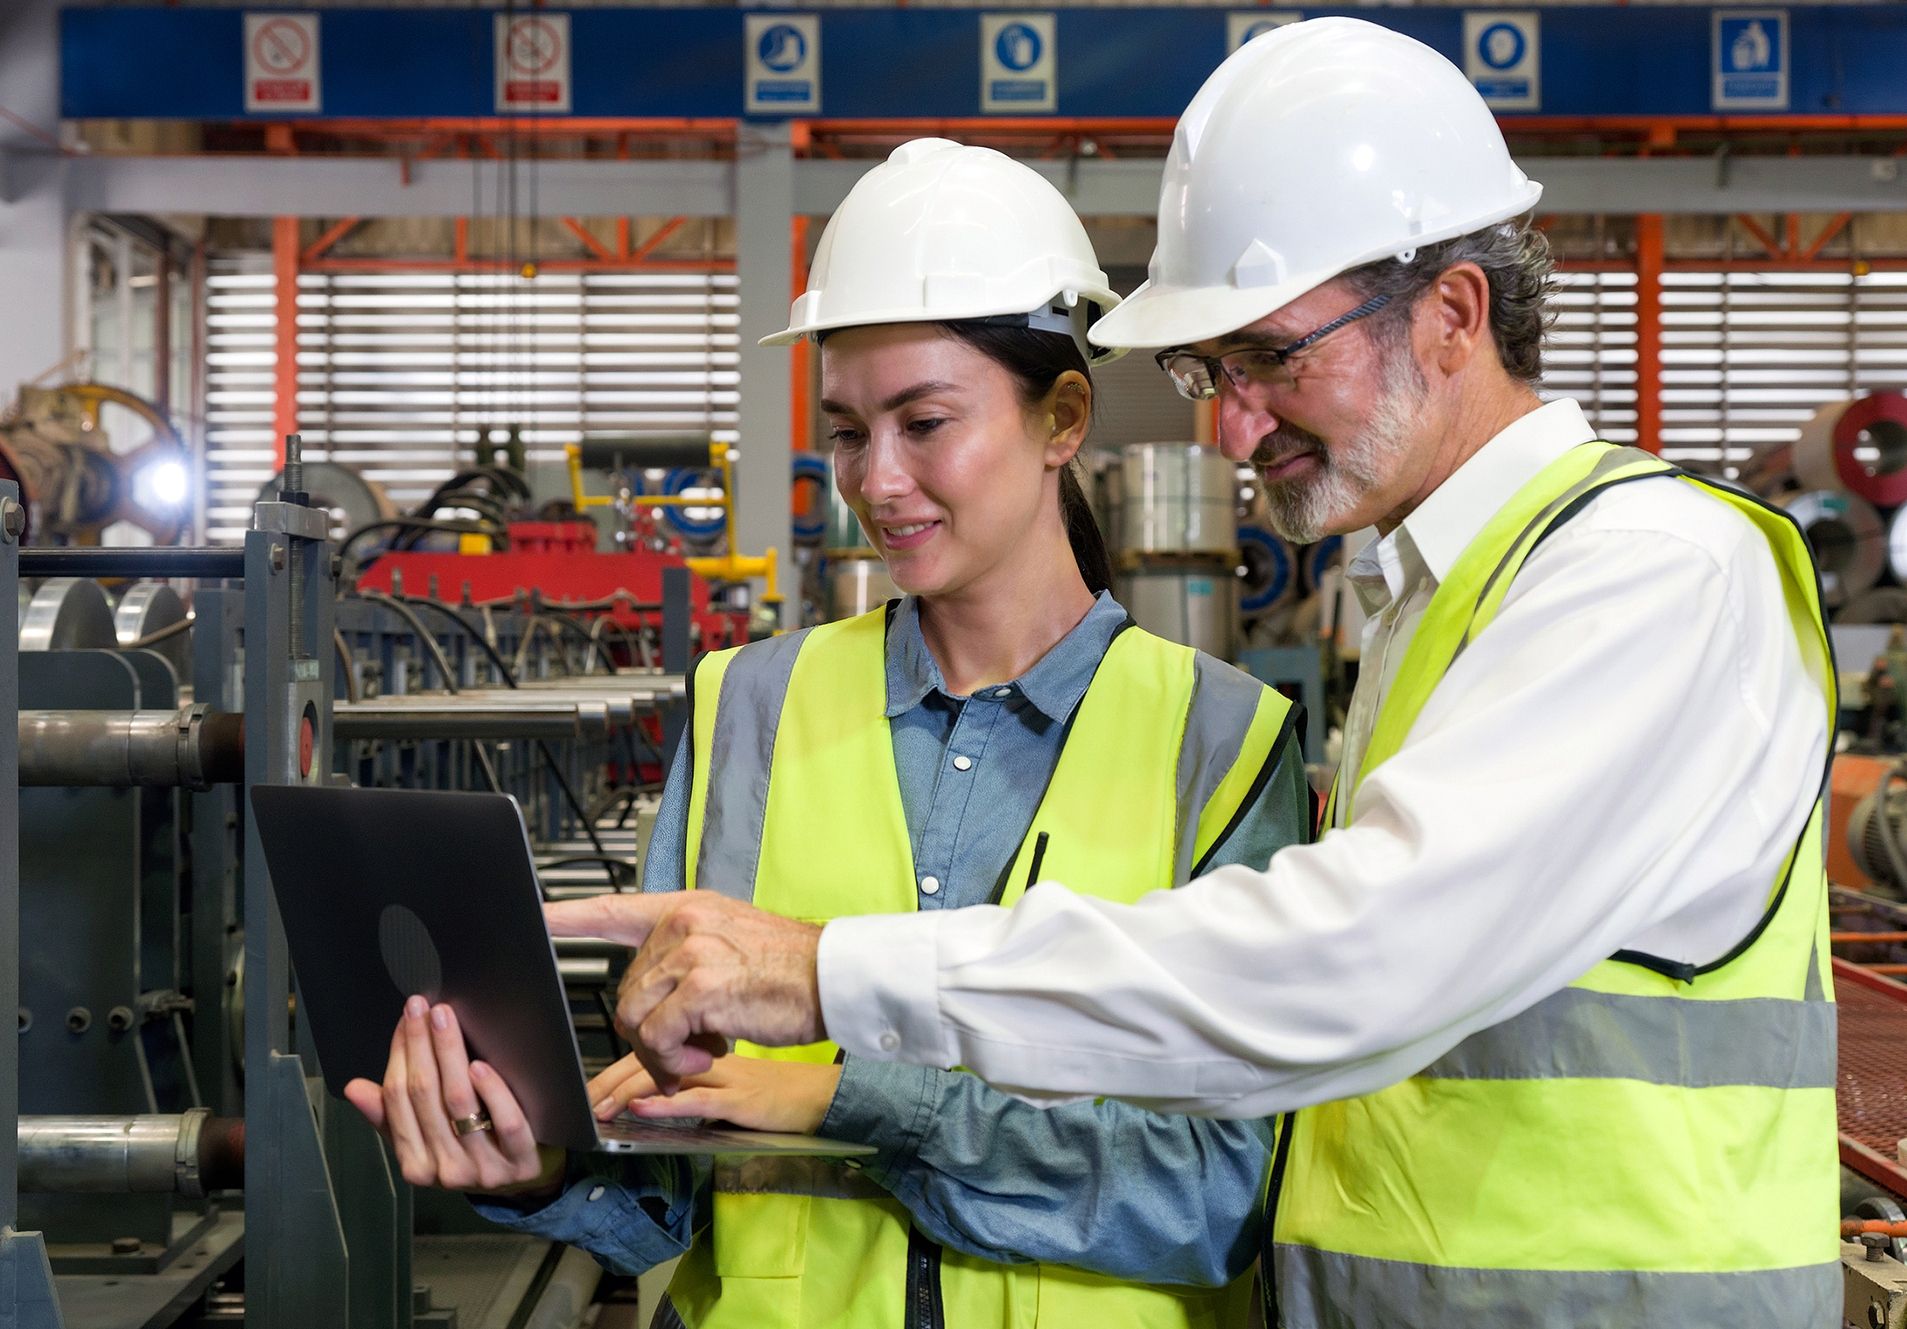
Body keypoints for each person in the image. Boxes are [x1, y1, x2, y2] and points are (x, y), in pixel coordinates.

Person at [550, 19, 1841, 1329]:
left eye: (1269, 357)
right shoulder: (1431, 602)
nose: (1225, 425)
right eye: (1206, 372)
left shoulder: (1649, 574)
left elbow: (1347, 962)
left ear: (1452, 313)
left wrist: (828, 981)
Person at [350, 138, 1312, 1328]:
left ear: (1062, 416)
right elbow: (676, 1173)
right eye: (851, 431)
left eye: (924, 422)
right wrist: (540, 1165)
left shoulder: (1216, 744)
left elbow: (1220, 1198)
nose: (878, 481)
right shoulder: (743, 708)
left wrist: (859, 1103)